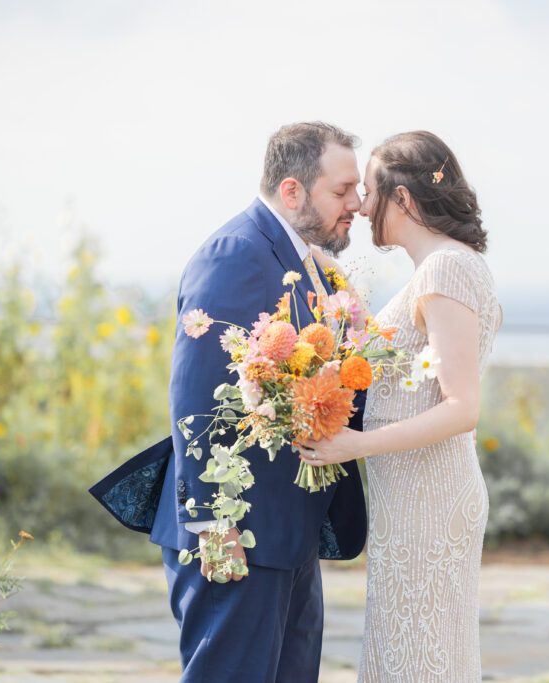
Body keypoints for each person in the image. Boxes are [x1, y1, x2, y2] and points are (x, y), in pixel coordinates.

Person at [126, 122, 367, 682]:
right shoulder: (236, 254)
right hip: (235, 535)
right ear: (292, 191)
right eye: (342, 191)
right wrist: (213, 522)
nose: (357, 203)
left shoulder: (302, 259)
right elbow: (194, 396)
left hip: (287, 532)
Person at [298, 130, 501, 682]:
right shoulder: (444, 267)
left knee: (420, 657)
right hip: (414, 494)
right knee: (413, 651)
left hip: (429, 498)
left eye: (369, 192)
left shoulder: (444, 270)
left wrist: (354, 445)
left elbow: (462, 407)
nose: (361, 206)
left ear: (404, 199)